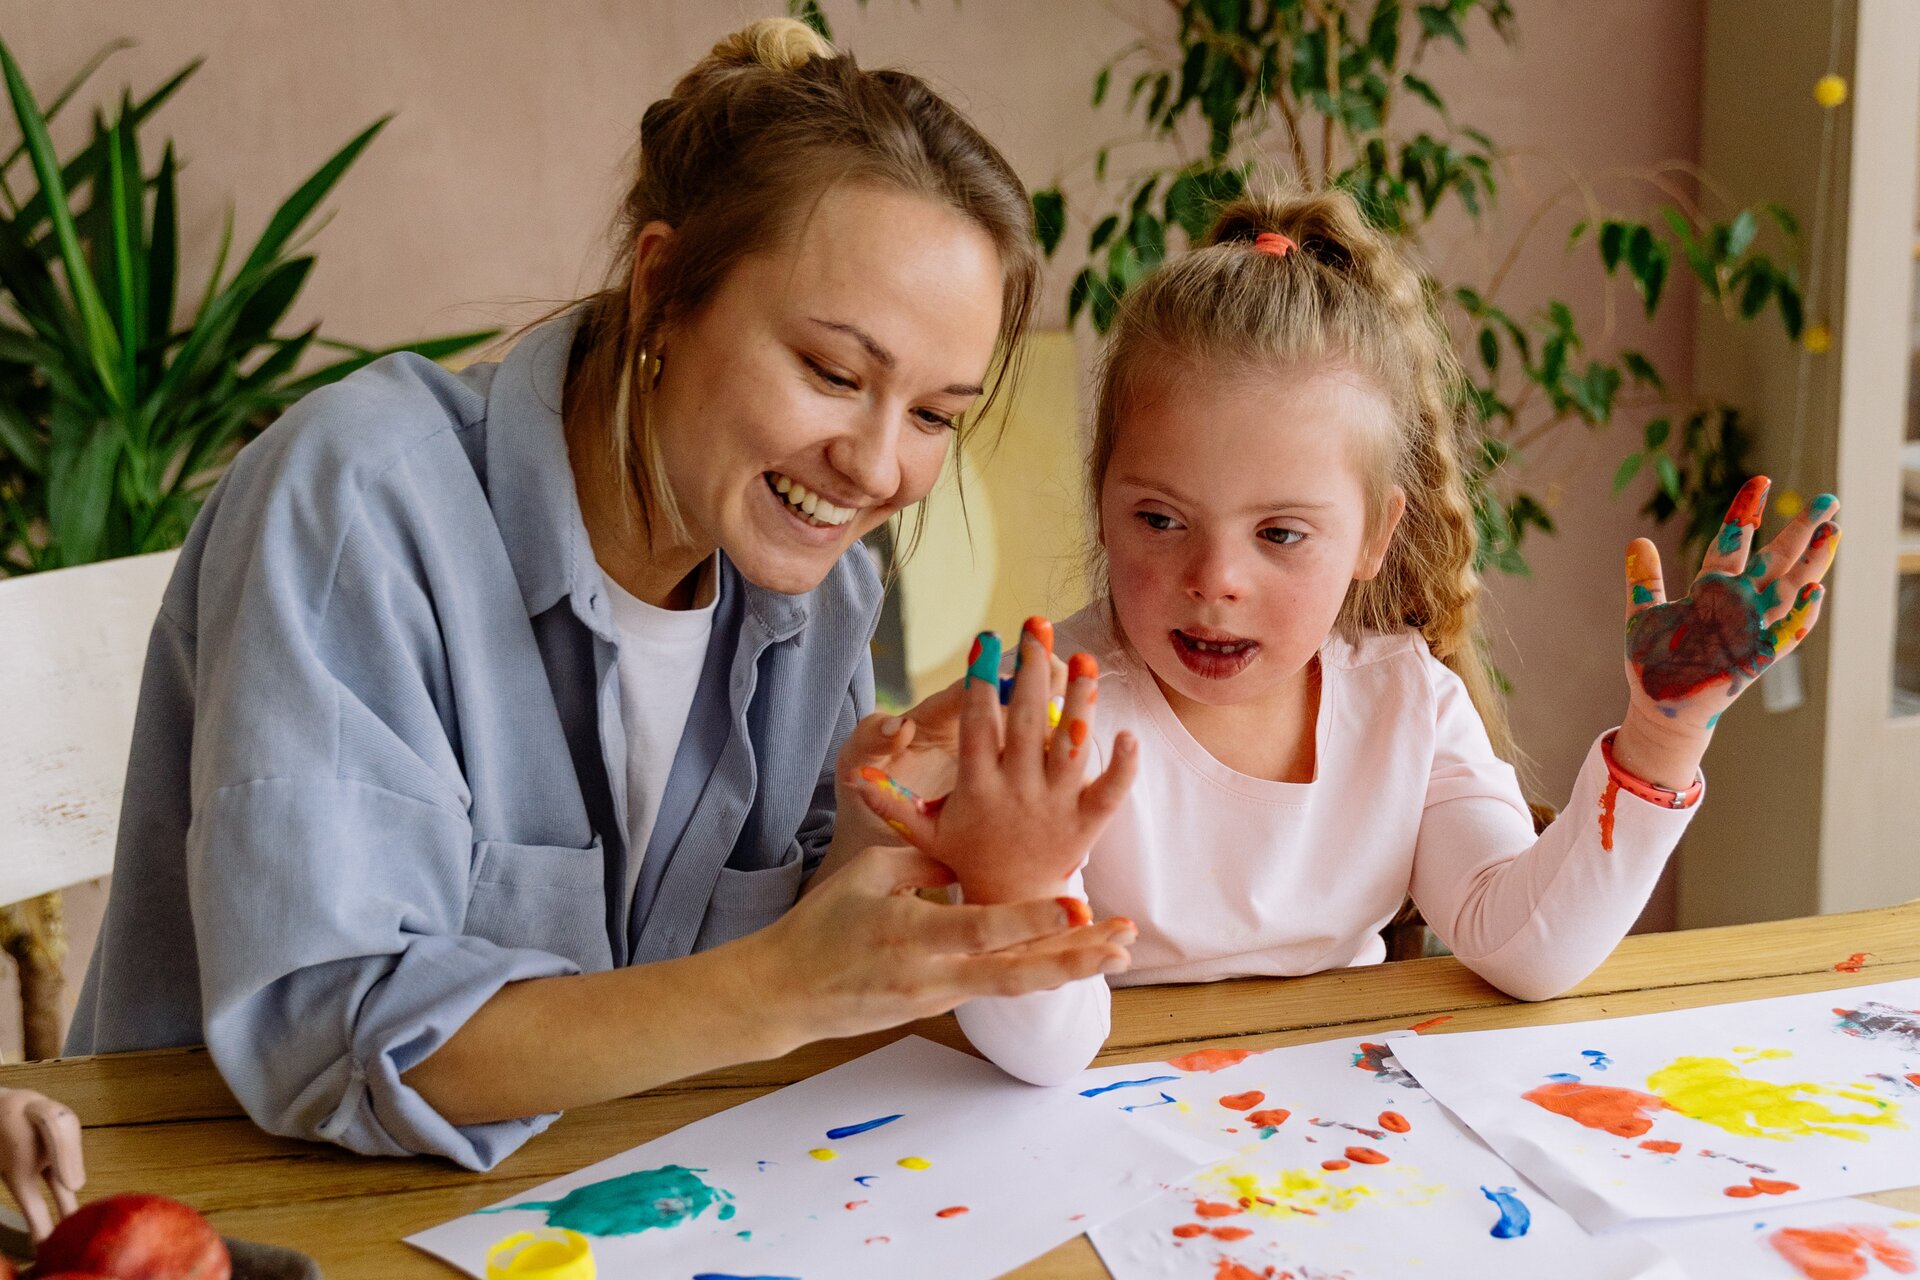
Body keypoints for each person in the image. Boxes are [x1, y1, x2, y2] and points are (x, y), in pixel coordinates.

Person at [65, 18, 1134, 1170]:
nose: (878, 469)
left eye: (934, 414)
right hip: (241, 1212)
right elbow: (338, 1040)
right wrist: (787, 981)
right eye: (833, 372)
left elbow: (731, 990)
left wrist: (884, 844)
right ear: (664, 286)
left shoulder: (818, 591)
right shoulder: (360, 500)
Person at [858, 187, 1841, 1084]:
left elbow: (1523, 945)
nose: (1215, 579)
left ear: (1375, 534)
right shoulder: (1044, 720)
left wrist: (1663, 736)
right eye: (1160, 518)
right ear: (1102, 502)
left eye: (1281, 532)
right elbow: (1046, 1048)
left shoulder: (1407, 707)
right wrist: (1010, 874)